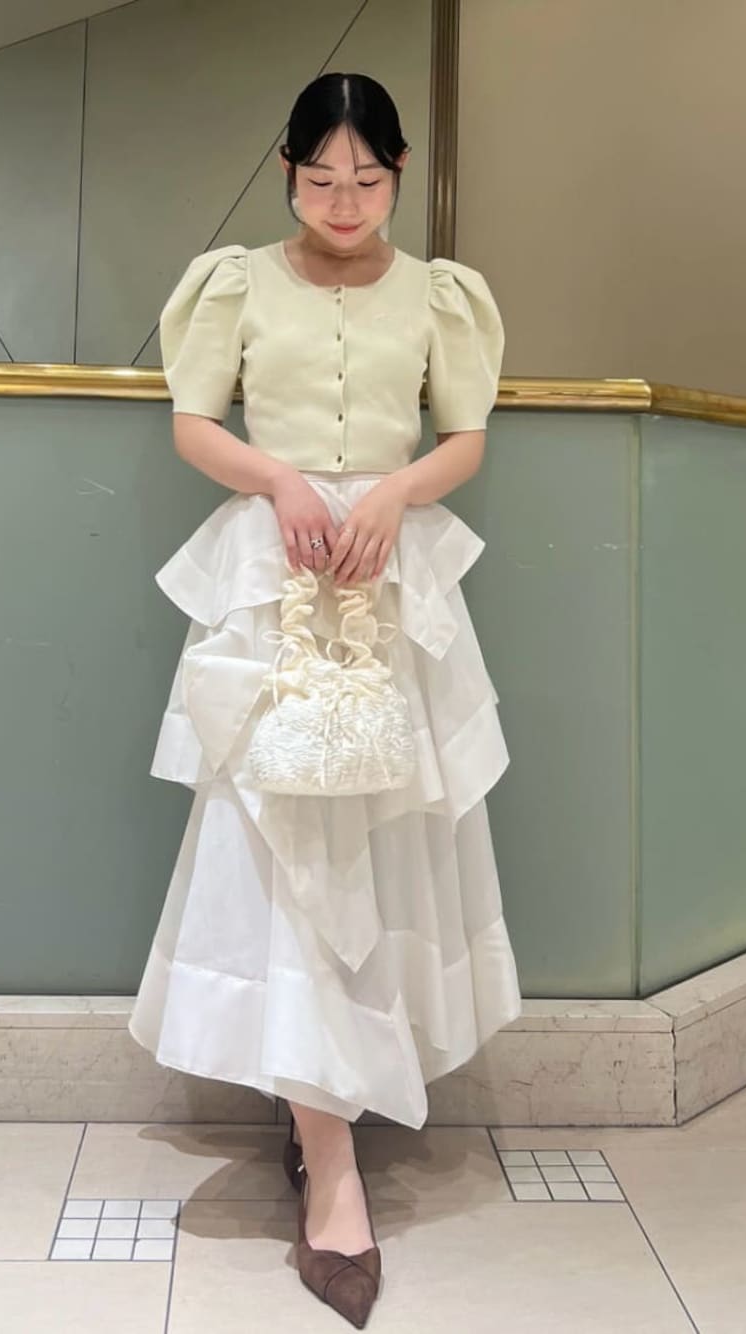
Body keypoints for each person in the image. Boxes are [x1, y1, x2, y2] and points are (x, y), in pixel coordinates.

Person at [128, 71, 522, 1328]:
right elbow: (193, 420)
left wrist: (394, 492)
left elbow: (463, 437)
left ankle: (341, 1092)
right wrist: (284, 481)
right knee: (280, 838)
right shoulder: (234, 282)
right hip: (275, 573)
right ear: (286, 173)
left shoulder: (442, 294)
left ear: (398, 173)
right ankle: (328, 1154)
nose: (342, 203)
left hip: (390, 577)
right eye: (317, 180)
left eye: (365, 179)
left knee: (388, 831)